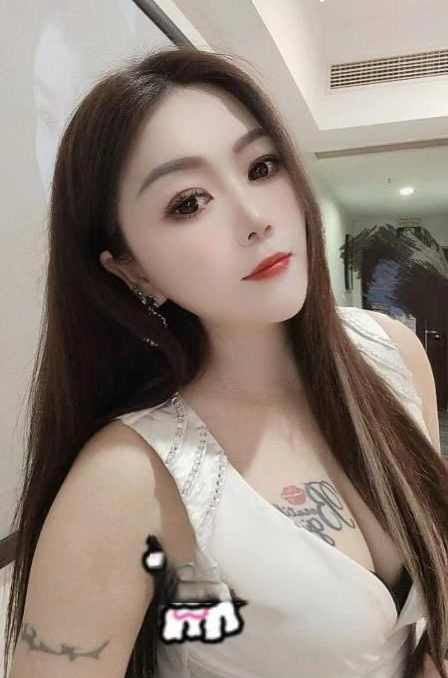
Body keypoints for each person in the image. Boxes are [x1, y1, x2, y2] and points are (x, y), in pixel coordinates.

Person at [4, 46, 448, 678]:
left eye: (262, 166)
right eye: (189, 202)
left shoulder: (392, 353)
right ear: (130, 268)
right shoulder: (127, 478)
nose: (256, 218)